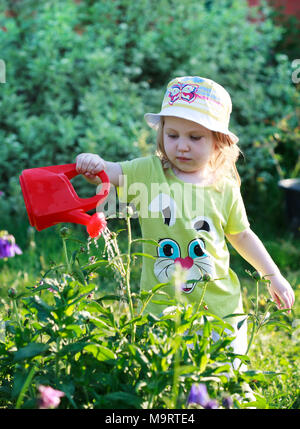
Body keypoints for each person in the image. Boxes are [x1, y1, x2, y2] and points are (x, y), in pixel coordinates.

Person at [75, 76, 295, 359]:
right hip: (161, 307)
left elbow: (241, 235)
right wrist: (93, 163)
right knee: (166, 376)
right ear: (162, 133)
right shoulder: (148, 172)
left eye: (195, 137)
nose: (181, 146)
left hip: (217, 307)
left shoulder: (223, 187)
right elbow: (109, 171)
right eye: (173, 135)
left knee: (220, 380)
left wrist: (272, 274)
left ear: (219, 142)